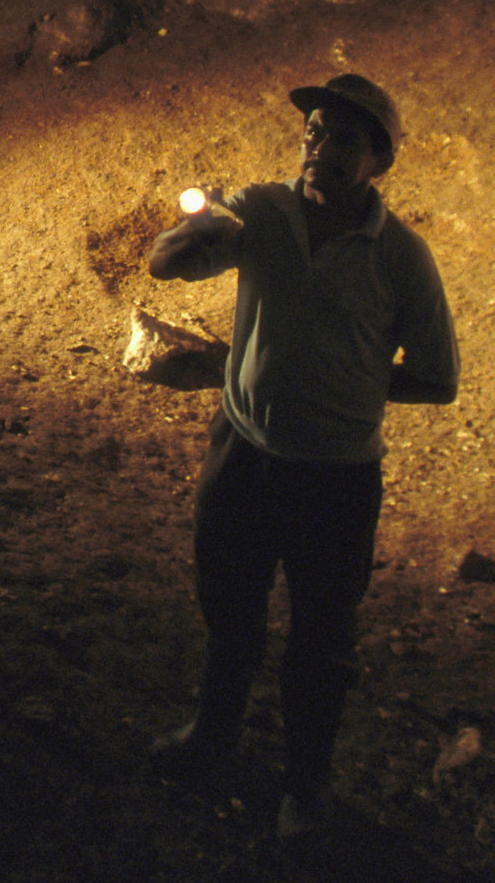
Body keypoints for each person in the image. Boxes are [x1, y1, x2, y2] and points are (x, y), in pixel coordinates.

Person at [142, 73, 459, 843]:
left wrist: (349, 385)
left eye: (344, 139)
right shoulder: (262, 210)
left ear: (379, 161)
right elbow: (163, 265)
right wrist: (198, 232)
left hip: (337, 479)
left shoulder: (402, 259)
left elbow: (439, 377)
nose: (321, 150)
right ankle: (211, 740)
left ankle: (304, 789)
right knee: (229, 610)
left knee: (320, 638)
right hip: (244, 454)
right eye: (315, 133)